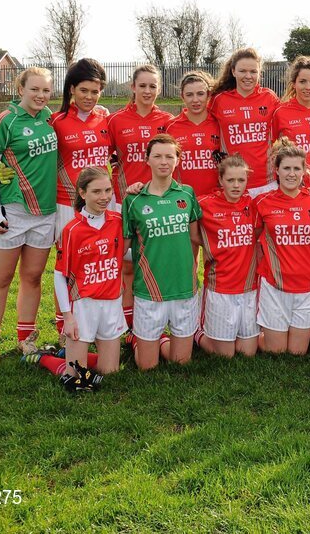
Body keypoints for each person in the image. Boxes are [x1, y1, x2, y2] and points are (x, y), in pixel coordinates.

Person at [0, 67, 59, 364]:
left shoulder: (52, 119)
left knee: (33, 277)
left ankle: (26, 339)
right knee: (0, 278)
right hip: (12, 211)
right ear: (20, 89)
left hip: (45, 212)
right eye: (34, 89)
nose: (40, 95)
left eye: (46, 90)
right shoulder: (6, 121)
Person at [24, 166, 124, 392]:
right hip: (83, 306)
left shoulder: (118, 220)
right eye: (97, 192)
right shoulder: (73, 229)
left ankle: (65, 353)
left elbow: (127, 251)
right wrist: (67, 317)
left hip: (111, 303)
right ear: (82, 193)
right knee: (76, 380)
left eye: (108, 190)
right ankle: (43, 359)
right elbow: (60, 275)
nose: (104, 197)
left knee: (110, 373)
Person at [121, 134, 201, 370]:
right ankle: (136, 339)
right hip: (149, 289)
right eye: (157, 156)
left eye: (169, 156)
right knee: (147, 366)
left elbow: (195, 237)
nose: (163, 161)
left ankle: (161, 340)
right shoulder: (134, 200)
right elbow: (123, 245)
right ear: (147, 160)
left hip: (183, 286)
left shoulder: (187, 194)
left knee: (181, 362)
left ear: (178, 160)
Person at [107, 64, 173, 330]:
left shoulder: (167, 120)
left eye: (153, 86)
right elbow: (102, 156)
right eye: (142, 85)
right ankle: (127, 325)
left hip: (157, 204)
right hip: (124, 201)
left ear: (160, 89)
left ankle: (151, 323)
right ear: (132, 87)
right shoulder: (116, 120)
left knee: (153, 265)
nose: (147, 91)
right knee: (125, 267)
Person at [50, 58, 111, 339]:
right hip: (67, 205)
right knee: (67, 268)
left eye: (95, 91)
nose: (89, 97)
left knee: (98, 263)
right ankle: (63, 325)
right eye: (84, 90)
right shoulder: (57, 122)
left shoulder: (105, 119)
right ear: (72, 89)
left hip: (101, 203)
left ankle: (98, 323)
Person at [253, 138, 310, 355]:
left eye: (296, 168)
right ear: (276, 170)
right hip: (274, 285)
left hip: (307, 284)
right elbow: (255, 240)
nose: (291, 174)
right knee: (277, 350)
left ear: (304, 171)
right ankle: (250, 334)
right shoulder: (262, 202)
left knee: (297, 352)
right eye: (286, 168)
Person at [192, 155, 258, 358]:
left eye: (241, 180)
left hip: (249, 288)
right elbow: (193, 234)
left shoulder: (254, 204)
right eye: (230, 180)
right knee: (225, 355)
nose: (236, 185)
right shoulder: (204, 204)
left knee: (247, 352)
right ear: (221, 180)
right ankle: (196, 332)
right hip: (220, 289)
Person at [208, 47, 280, 197]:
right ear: (233, 71)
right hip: (234, 183)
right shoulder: (219, 100)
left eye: (253, 72)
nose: (248, 76)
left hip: (267, 182)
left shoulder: (269, 97)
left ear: (260, 73)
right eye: (242, 71)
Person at [271, 56, 310, 195]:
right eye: (302, 82)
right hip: (294, 190)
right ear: (294, 83)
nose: (308, 87)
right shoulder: (281, 112)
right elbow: (271, 149)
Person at [167, 71, 221, 198]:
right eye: (189, 95)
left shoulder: (219, 123)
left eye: (200, 94)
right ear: (182, 96)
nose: (195, 100)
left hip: (215, 198)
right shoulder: (171, 126)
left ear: (208, 95)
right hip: (182, 199)